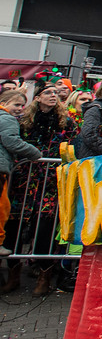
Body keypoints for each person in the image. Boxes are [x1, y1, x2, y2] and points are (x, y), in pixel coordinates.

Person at [5, 83, 75, 292]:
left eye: (55, 92)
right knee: (14, 227)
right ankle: (13, 275)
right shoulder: (23, 121)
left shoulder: (66, 121)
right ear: (37, 97)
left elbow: (68, 146)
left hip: (50, 183)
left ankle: (43, 277)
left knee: (45, 227)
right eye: (48, 92)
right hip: (24, 180)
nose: (53, 95)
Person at [0, 89, 41, 278]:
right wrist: (35, 153)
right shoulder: (7, 119)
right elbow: (12, 141)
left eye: (22, 105)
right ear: (4, 102)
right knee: (2, 207)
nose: (20, 109)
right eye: (16, 104)